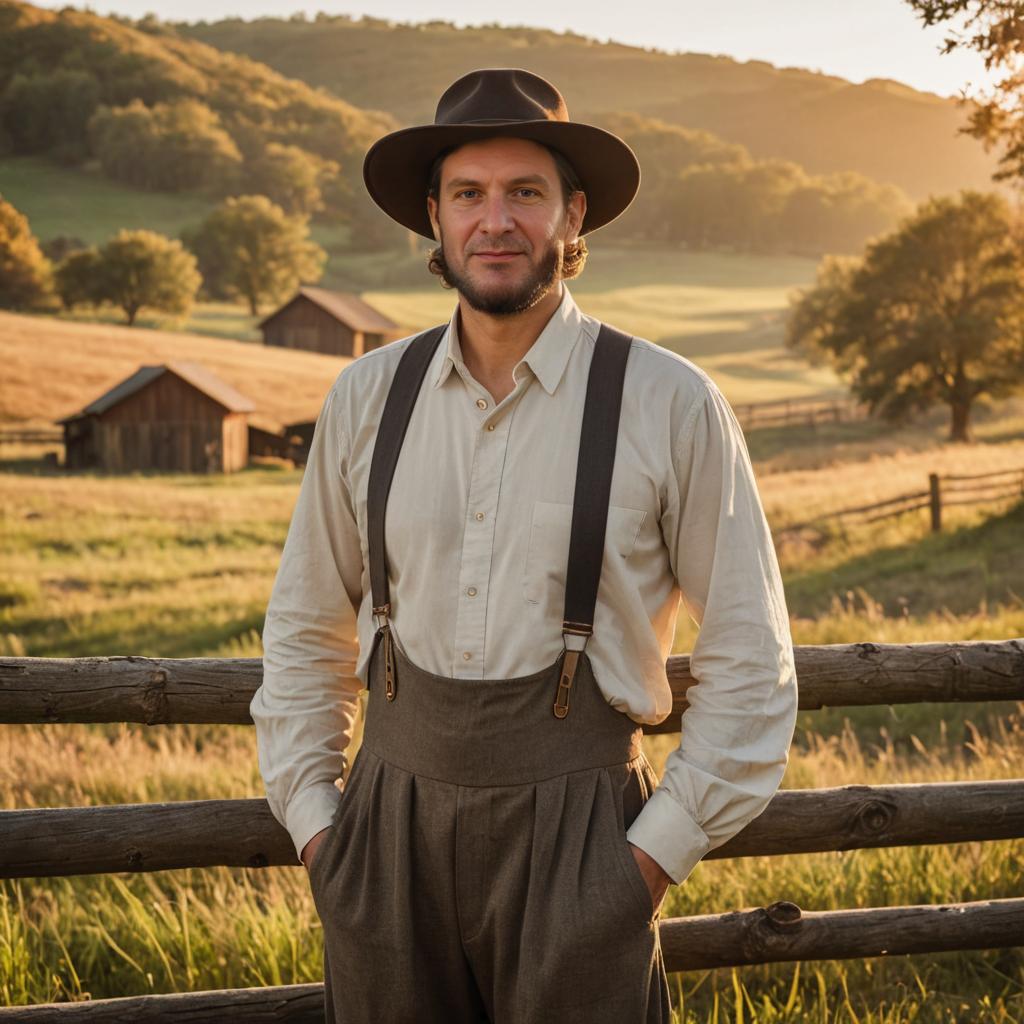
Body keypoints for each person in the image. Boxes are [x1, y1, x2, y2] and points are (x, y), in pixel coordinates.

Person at [251, 67, 798, 1023]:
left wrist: (640, 868)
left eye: (525, 193)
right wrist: (321, 837)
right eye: (468, 193)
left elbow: (754, 661)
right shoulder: (365, 397)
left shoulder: (669, 402)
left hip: (585, 837)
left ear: (573, 215)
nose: (493, 220)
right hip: (384, 837)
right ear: (434, 215)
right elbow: (304, 630)